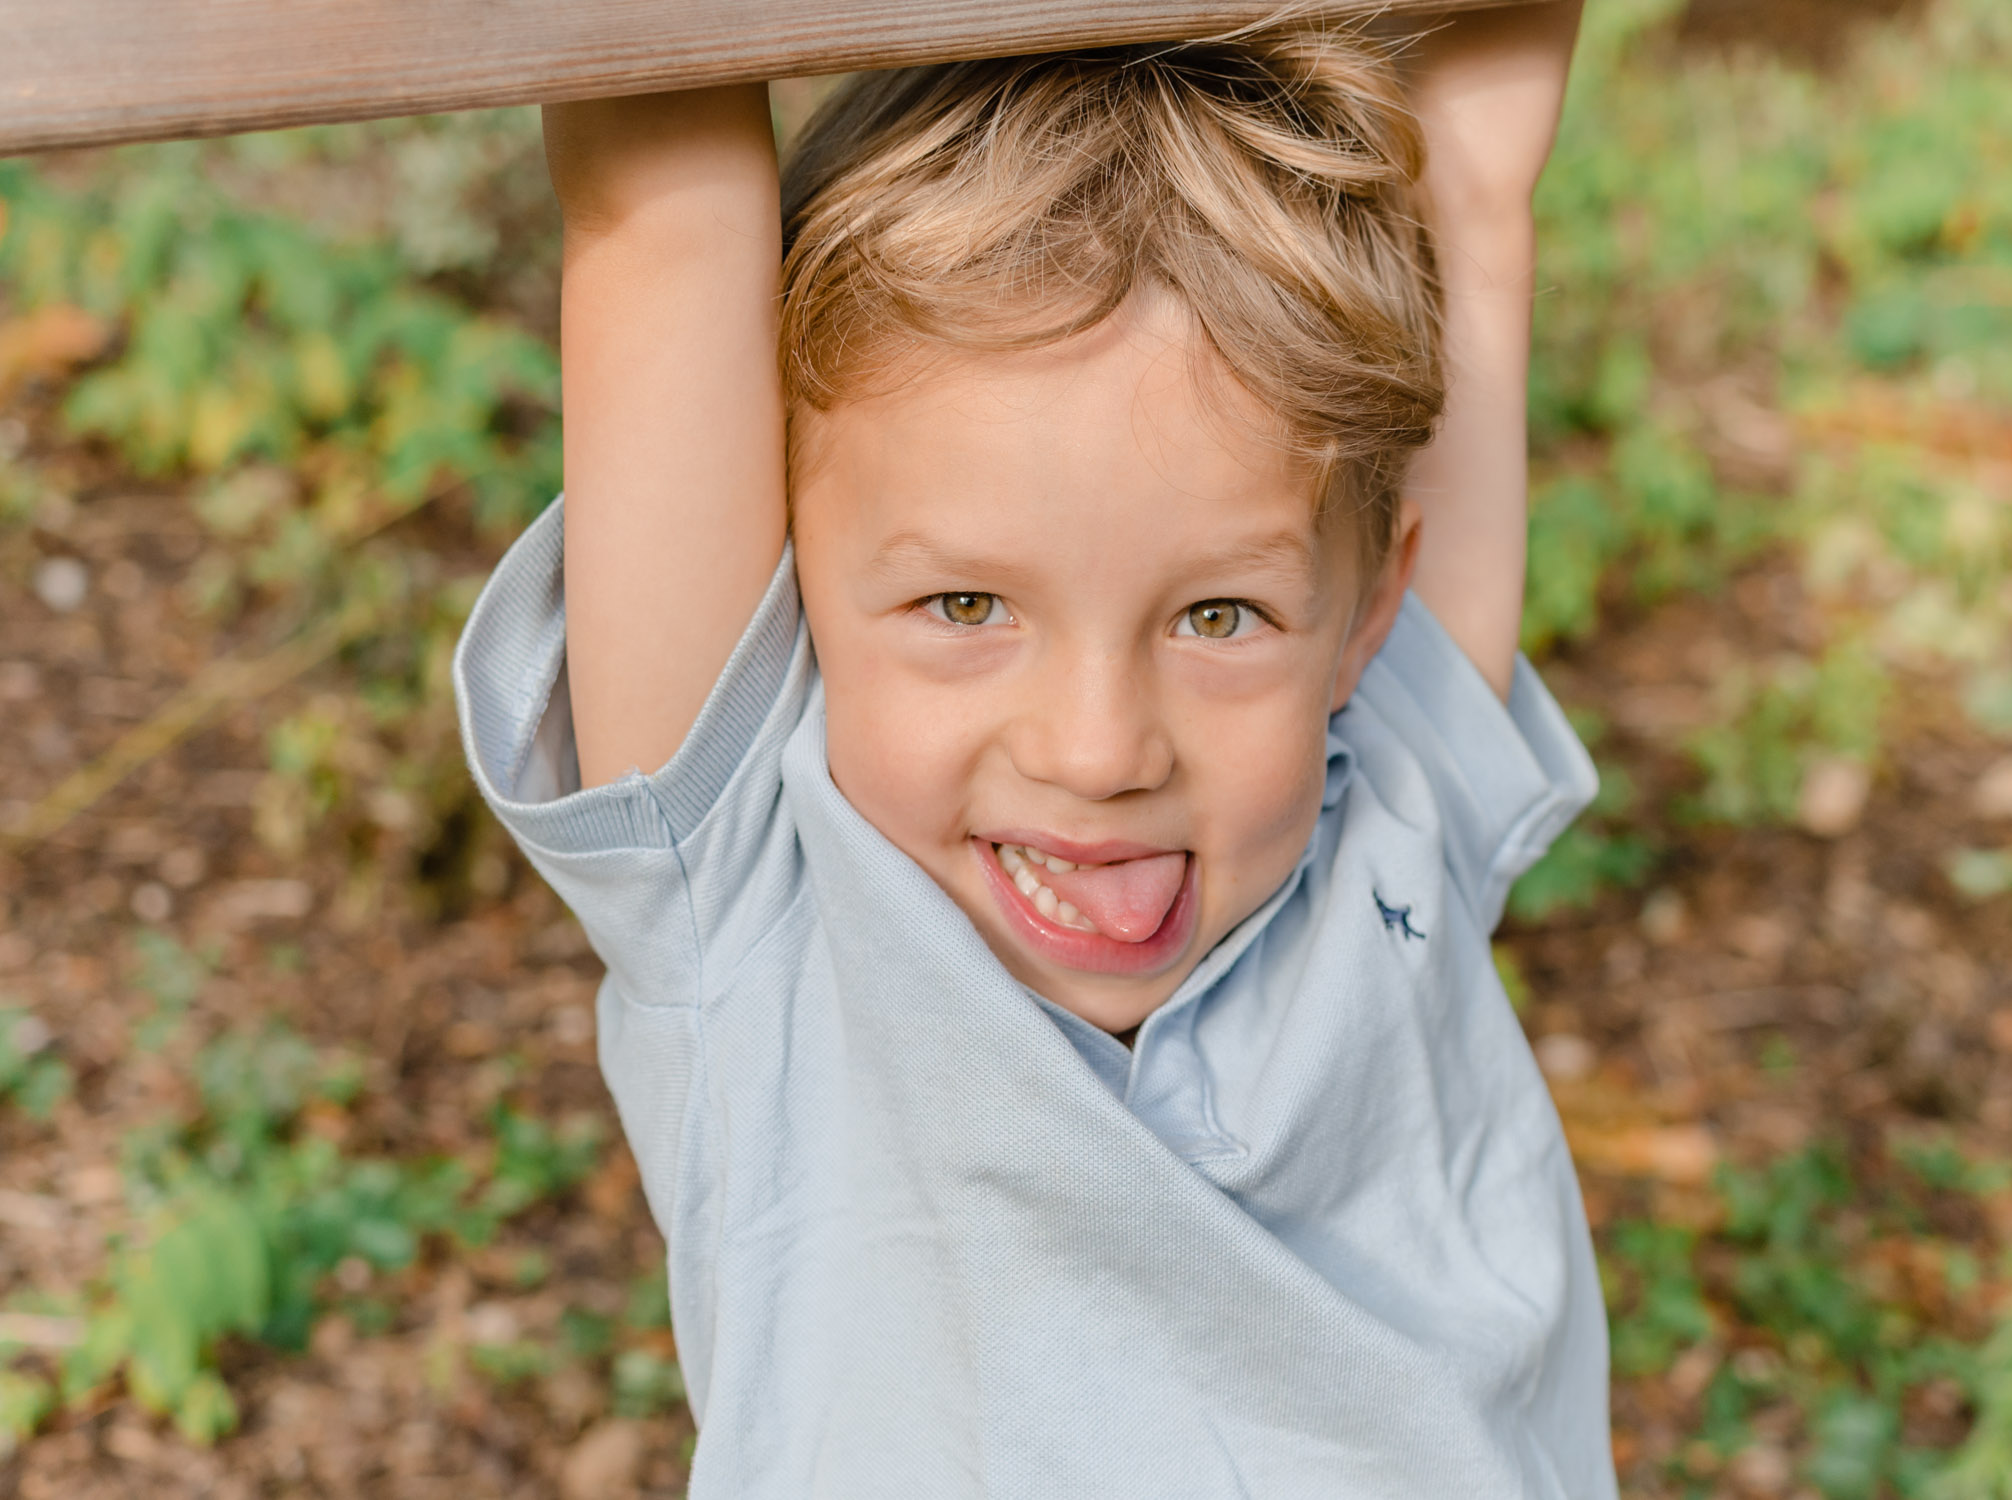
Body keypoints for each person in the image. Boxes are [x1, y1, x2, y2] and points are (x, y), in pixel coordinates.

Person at [455, 6, 1612, 1494]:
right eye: (965, 604)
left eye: (1216, 615)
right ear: (789, 574)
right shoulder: (761, 899)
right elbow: (660, 213)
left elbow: (1470, 174)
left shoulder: (1394, 791)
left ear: (1364, 611)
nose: (1097, 750)